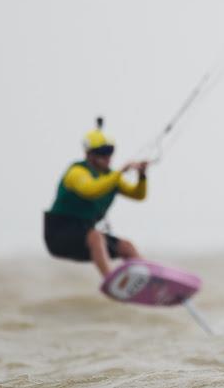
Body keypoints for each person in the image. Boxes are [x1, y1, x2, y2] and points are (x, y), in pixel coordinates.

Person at [44, 118, 150, 276]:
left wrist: (141, 176)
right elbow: (90, 190)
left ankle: (149, 279)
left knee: (127, 247)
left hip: (85, 235)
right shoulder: (76, 172)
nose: (107, 157)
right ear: (89, 154)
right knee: (95, 236)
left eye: (110, 151)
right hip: (59, 235)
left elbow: (138, 195)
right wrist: (119, 173)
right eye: (102, 153)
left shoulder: (111, 177)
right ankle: (111, 280)